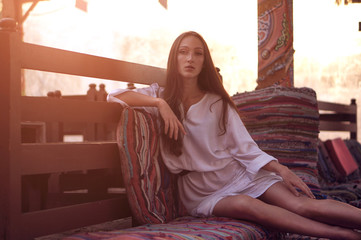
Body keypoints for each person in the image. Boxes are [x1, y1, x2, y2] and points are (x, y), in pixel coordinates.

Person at [108, 31, 361, 240]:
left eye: (198, 53)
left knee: (303, 204)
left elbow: (245, 148)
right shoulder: (159, 95)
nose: (190, 58)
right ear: (174, 58)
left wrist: (282, 169)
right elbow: (116, 95)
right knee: (248, 207)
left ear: (204, 61)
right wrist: (160, 106)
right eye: (183, 52)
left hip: (239, 173)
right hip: (200, 191)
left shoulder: (218, 103)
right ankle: (343, 235)